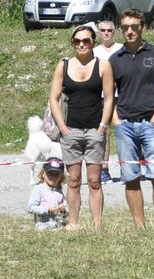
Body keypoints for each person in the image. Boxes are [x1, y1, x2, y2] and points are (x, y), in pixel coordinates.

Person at [107, 10, 154, 227]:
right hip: (125, 125)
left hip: (151, 124)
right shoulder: (114, 60)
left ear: (142, 28)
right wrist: (116, 121)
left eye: (134, 27)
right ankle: (140, 226)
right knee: (130, 177)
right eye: (125, 27)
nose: (129, 31)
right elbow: (109, 95)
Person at [48, 23, 113, 229]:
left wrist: (102, 126)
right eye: (77, 41)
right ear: (73, 44)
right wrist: (62, 127)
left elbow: (110, 98)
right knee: (73, 180)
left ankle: (97, 225)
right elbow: (53, 98)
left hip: (95, 130)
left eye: (86, 40)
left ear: (93, 42)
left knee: (95, 181)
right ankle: (73, 223)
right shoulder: (64, 65)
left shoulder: (103, 65)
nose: (81, 44)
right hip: (71, 130)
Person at [92, 20, 121, 182]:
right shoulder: (94, 52)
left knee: (124, 131)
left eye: (109, 30)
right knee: (104, 133)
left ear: (114, 32)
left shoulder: (120, 49)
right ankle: (104, 169)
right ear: (99, 33)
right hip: (101, 97)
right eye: (103, 30)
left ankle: (128, 166)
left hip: (120, 96)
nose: (106, 33)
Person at [27, 157, 69, 230]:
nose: (53, 177)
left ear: (61, 177)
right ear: (43, 173)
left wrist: (63, 210)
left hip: (59, 224)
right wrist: (47, 210)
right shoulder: (38, 189)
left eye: (57, 174)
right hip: (43, 225)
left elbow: (67, 211)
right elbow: (31, 208)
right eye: (50, 173)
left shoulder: (59, 191)